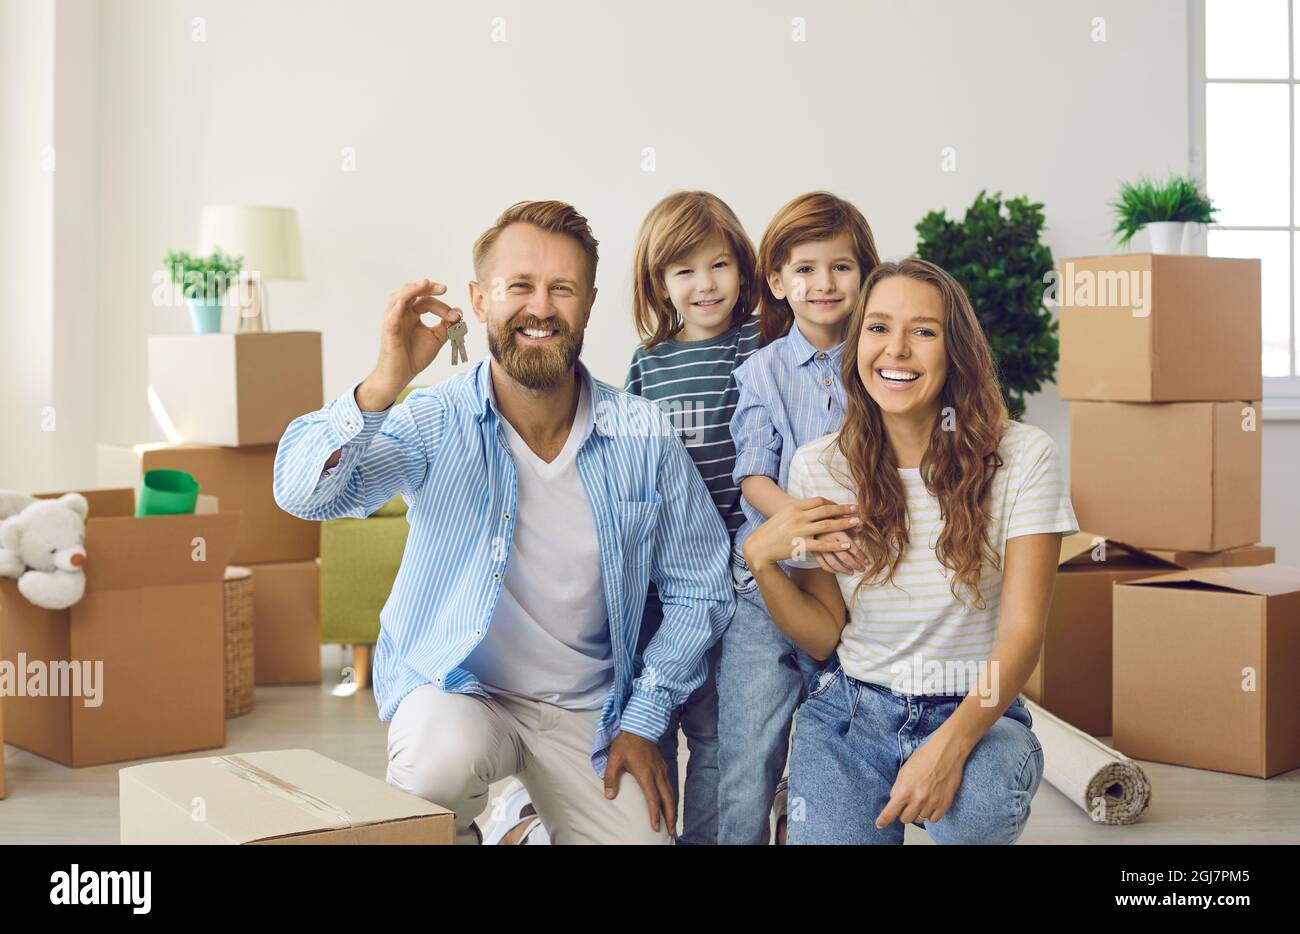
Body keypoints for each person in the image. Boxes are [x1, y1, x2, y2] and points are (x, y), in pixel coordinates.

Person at [272, 200, 735, 845]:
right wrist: (383, 382)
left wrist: (644, 716)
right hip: (462, 694)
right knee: (438, 765)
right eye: (519, 285)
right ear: (480, 299)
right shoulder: (436, 419)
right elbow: (302, 494)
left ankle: (521, 825)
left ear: (590, 303)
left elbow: (701, 586)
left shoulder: (642, 434)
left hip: (589, 711)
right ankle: (495, 817)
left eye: (561, 289)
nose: (540, 308)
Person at [742, 258, 1078, 844]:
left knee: (976, 809)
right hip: (852, 715)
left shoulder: (1024, 457)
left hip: (977, 708)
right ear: (857, 344)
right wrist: (760, 560)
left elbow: (1022, 634)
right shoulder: (819, 465)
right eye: (877, 328)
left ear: (956, 353)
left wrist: (949, 745)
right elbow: (823, 634)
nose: (895, 351)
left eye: (923, 331)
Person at [717, 191, 880, 844]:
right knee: (747, 748)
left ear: (865, 274)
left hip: (855, 588)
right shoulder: (762, 371)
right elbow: (753, 473)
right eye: (805, 269)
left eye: (840, 267)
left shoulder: (881, 363)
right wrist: (808, 526)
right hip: (768, 583)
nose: (823, 283)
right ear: (778, 282)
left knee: (837, 740)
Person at [623, 190, 762, 844]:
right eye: (684, 271)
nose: (705, 285)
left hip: (736, 574)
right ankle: (657, 832)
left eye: (719, 266)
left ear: (744, 269)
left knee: (718, 730)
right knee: (659, 714)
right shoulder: (649, 362)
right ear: (660, 283)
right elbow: (627, 466)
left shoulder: (762, 342)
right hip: (660, 576)